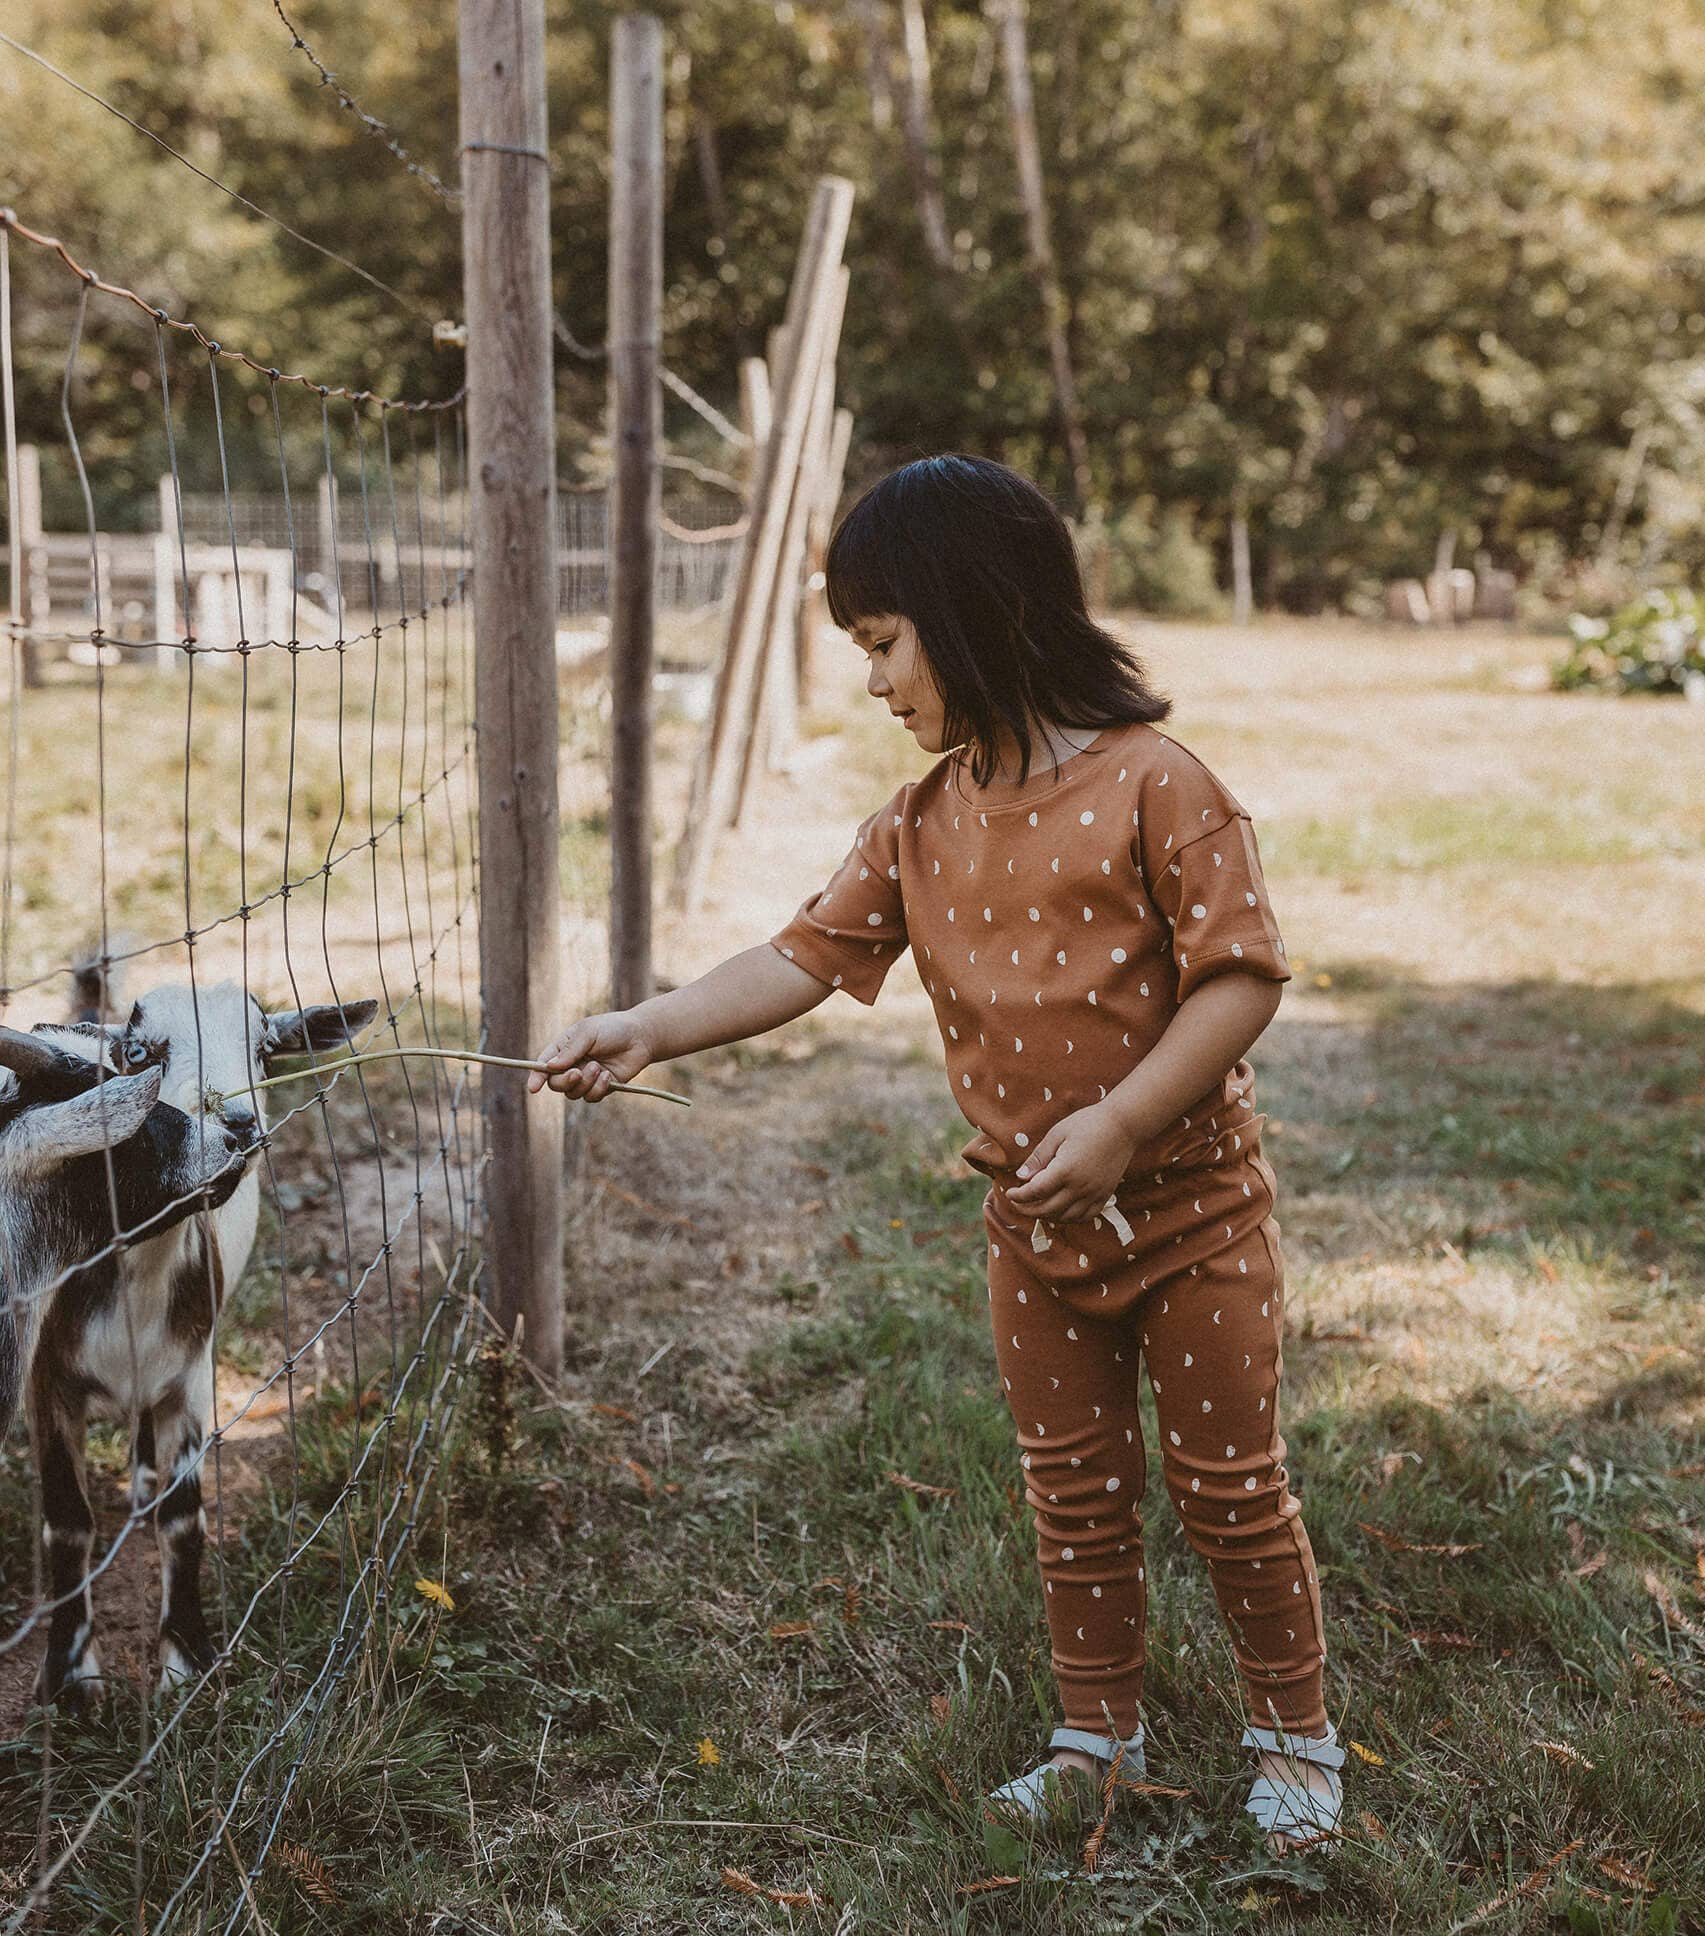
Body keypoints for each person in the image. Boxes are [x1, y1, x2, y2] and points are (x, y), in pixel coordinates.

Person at [531, 455, 1344, 1850]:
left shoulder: (1160, 786)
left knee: (1228, 1487)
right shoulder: (918, 823)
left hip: (1194, 1218)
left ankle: (1295, 1735)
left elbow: (1241, 978)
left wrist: (1125, 1121)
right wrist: (653, 1027)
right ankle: (1096, 1734)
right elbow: (801, 957)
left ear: (978, 617)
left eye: (885, 644)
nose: (874, 682)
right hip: (1034, 1233)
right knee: (1073, 1491)